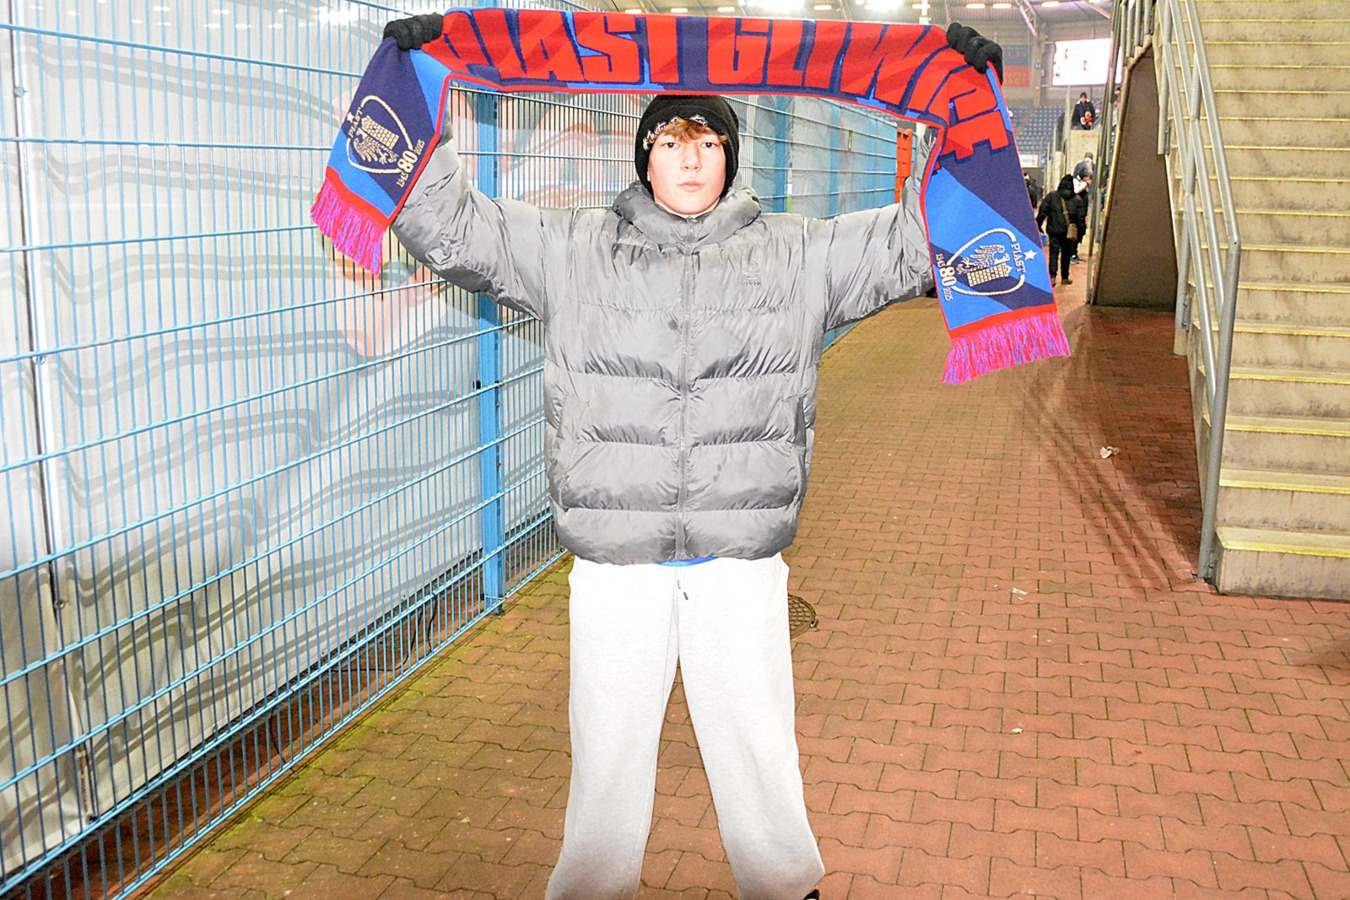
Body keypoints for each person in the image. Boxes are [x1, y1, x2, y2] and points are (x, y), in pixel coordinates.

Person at [379, 14, 1001, 900]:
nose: (691, 158)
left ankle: (784, 885)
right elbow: (445, 226)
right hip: (617, 566)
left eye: (709, 141)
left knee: (758, 745)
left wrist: (953, 114)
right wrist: (416, 86)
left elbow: (915, 245)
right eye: (671, 140)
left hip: (737, 563)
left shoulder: (797, 254)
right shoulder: (571, 249)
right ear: (645, 153)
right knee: (606, 756)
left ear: (730, 157)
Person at [1036, 174, 1084, 285]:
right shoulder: (1077, 200)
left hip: (1054, 230)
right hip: (1068, 232)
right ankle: (1065, 277)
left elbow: (1043, 211)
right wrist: (1080, 234)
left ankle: (1052, 277)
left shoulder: (1051, 196)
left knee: (1053, 254)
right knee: (1066, 254)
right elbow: (1080, 219)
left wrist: (1038, 225)